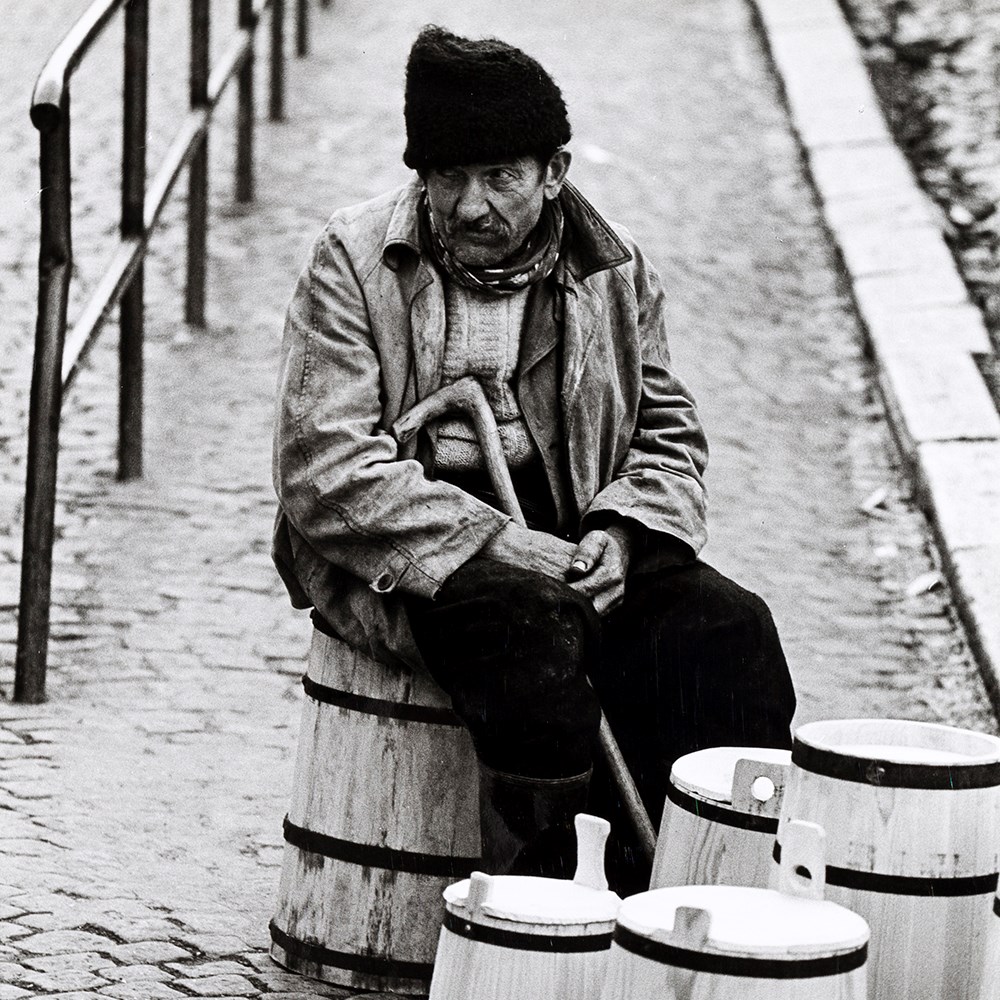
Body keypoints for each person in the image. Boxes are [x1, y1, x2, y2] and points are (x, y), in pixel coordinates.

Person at [272, 24, 796, 889]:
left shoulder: (613, 268)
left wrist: (622, 536)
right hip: (410, 544)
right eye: (448, 177)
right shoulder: (355, 258)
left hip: (575, 521)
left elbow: (668, 434)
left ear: (555, 172)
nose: (472, 204)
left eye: (502, 177)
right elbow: (322, 466)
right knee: (529, 635)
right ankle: (540, 916)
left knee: (729, 630)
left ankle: (702, 903)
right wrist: (496, 542)